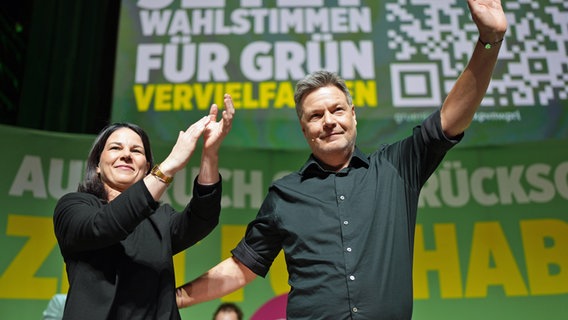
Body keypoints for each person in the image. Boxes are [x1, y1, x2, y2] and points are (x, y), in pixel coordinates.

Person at [175, 1, 507, 319]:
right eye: (316, 116)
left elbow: (450, 120)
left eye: (337, 109)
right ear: (305, 130)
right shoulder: (285, 195)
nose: (329, 120)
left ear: (353, 115)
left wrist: (488, 42)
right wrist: (171, 297)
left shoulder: (395, 167)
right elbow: (242, 267)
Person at [53, 94, 235, 319]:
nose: (126, 155)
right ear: (98, 165)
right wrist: (169, 166)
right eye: (115, 148)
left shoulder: (160, 218)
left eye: (136, 151)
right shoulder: (74, 206)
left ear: (146, 167)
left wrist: (209, 154)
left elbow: (202, 219)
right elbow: (104, 226)